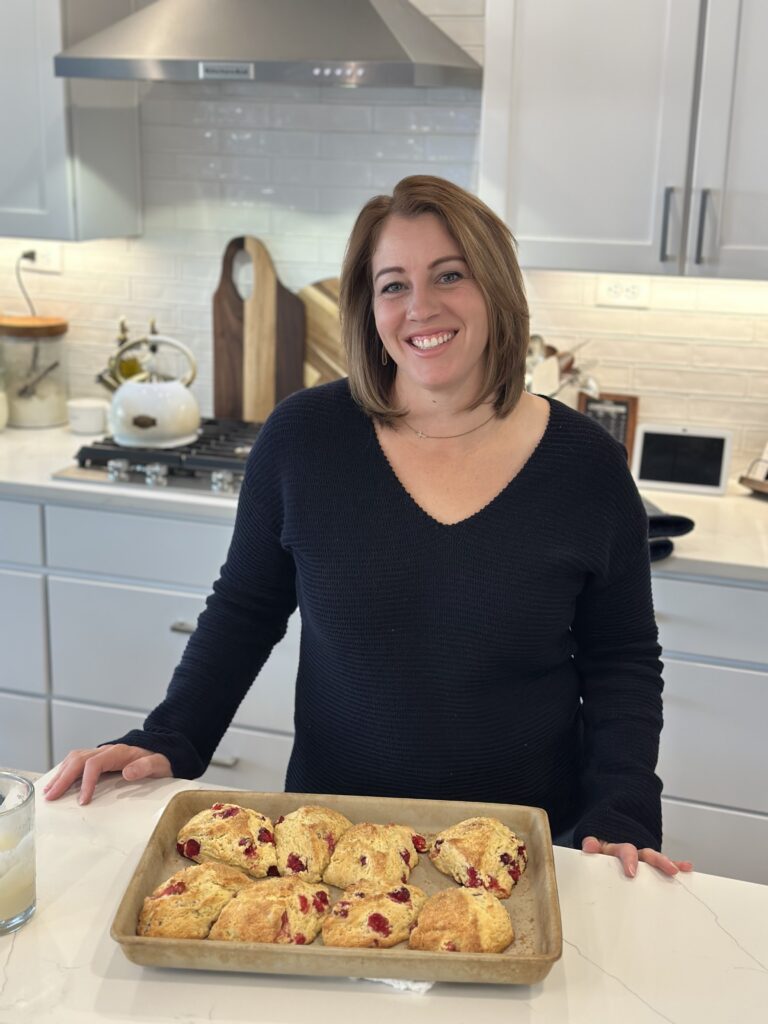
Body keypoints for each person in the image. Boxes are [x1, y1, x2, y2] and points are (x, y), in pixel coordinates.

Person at [45, 175, 691, 880]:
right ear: (368, 305)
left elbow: (622, 658)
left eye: (451, 274)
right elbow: (245, 610)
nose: (422, 307)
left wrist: (622, 808)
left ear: (497, 289)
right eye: (393, 285)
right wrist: (170, 736)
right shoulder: (303, 440)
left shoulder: (587, 466)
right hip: (330, 845)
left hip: (522, 854)